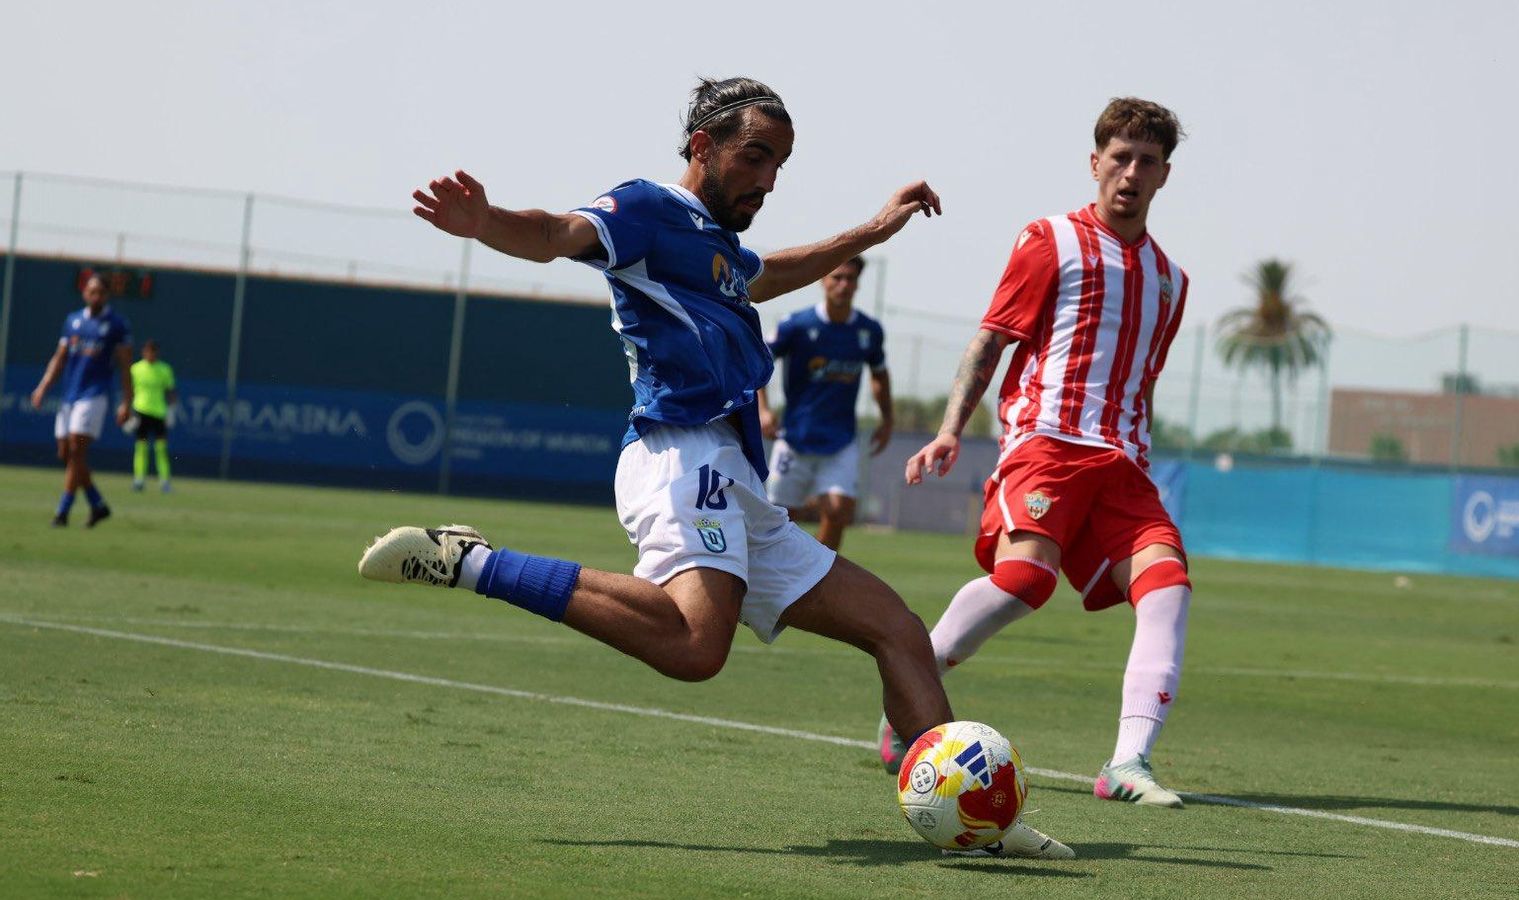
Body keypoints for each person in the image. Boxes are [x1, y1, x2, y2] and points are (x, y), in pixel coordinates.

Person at [356, 77, 1072, 859]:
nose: (768, 180)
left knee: (896, 629)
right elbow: (560, 232)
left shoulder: (718, 250)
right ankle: (473, 563)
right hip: (679, 452)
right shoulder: (649, 211)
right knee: (697, 647)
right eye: (755, 156)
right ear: (703, 145)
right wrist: (486, 221)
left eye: (781, 165)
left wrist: (872, 229)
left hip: (735, 479)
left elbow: (767, 273)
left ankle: (975, 823)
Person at [892, 98, 1193, 809]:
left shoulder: (1173, 283)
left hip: (1123, 465)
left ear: (1164, 176)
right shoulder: (1048, 239)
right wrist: (948, 429)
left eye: (1146, 162)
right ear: (1095, 164)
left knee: (1169, 587)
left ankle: (1127, 764)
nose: (1130, 173)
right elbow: (992, 338)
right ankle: (908, 687)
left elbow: (1139, 381)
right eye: (1119, 157)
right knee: (1027, 581)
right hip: (1048, 444)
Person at [756, 256, 891, 550]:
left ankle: (820, 573)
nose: (843, 285)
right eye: (836, 277)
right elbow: (759, 363)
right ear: (822, 281)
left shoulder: (868, 331)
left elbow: (879, 375)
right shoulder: (796, 325)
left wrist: (887, 419)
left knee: (839, 509)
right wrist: (763, 410)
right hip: (794, 438)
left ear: (857, 284)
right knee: (780, 517)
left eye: (850, 279)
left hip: (840, 441)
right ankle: (780, 576)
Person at [30, 273, 133, 527]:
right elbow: (60, 357)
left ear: (107, 295)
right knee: (66, 454)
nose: (95, 295)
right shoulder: (73, 321)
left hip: (94, 394)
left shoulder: (116, 325)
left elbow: (125, 366)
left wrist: (126, 402)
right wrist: (43, 386)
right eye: (91, 291)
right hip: (70, 394)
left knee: (77, 448)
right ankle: (97, 504)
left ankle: (62, 512)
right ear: (84, 293)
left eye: (100, 292)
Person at [128, 339, 177, 492]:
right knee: (141, 447)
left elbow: (170, 392)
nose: (151, 354)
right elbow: (129, 391)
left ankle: (164, 481)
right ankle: (139, 480)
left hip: (159, 414)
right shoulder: (135, 369)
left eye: (153, 351)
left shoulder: (165, 369)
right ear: (144, 352)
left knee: (161, 448)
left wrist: (171, 411)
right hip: (141, 412)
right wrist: (129, 412)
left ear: (157, 353)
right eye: (148, 351)